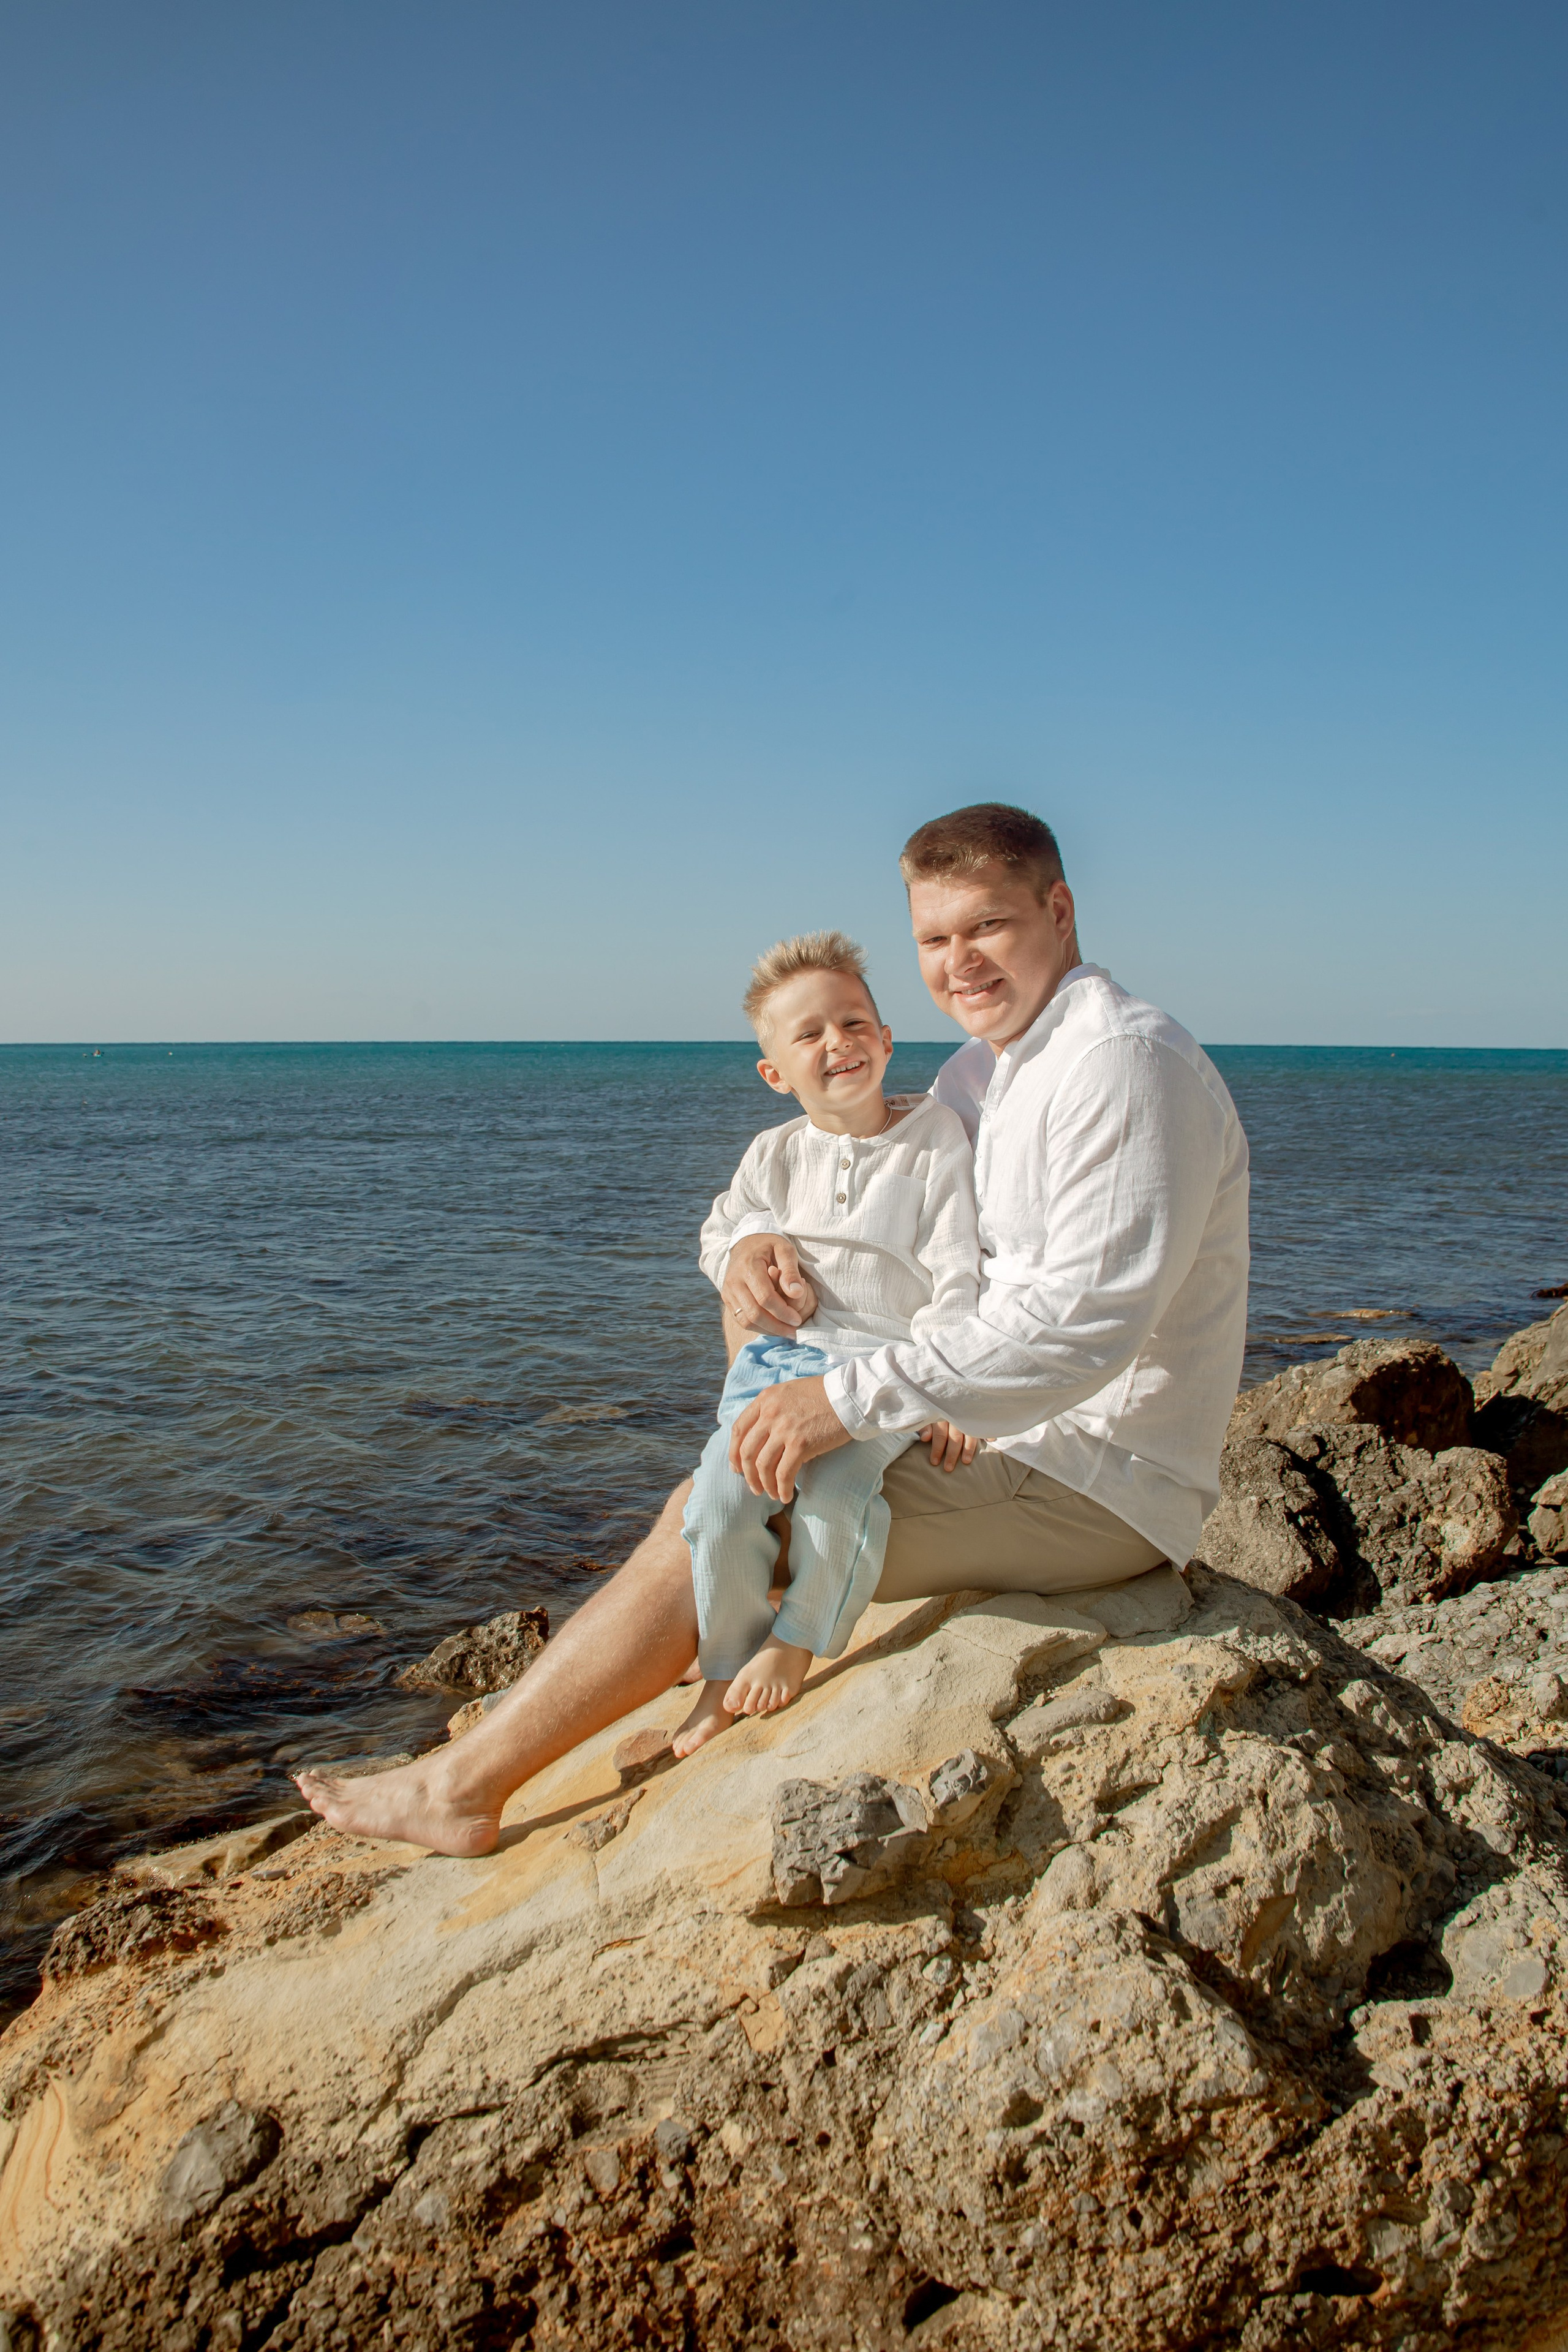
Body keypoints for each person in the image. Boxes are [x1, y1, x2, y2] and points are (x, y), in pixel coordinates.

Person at [296, 802, 1249, 1856]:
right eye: (934, 938)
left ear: (1058, 911)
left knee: (722, 1509)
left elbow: (1082, 1325)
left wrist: (840, 1403)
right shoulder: (983, 1074)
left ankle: (463, 1790)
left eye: (988, 925)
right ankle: (671, 1687)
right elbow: (866, 1203)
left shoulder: (1122, 1063)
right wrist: (748, 1249)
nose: (960, 962)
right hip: (997, 1436)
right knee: (735, 1474)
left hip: (1094, 1477)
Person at [673, 928, 980, 1757]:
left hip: (885, 1372)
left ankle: (800, 1634)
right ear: (775, 1074)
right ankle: (722, 1665)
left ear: (886, 1039)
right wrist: (742, 1250)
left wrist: (946, 1389)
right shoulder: (774, 1155)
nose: (837, 1042)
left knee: (837, 1495)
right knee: (721, 1497)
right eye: (808, 1035)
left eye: (852, 1023)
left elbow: (957, 1271)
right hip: (780, 1367)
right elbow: (719, 1233)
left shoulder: (934, 1138)